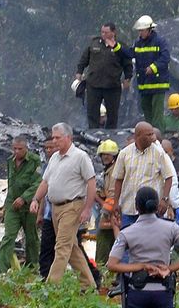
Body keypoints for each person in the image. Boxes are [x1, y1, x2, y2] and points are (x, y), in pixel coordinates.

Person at [107, 186, 179, 308]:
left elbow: (112, 264)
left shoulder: (127, 232)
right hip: (163, 292)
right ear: (157, 206)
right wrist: (170, 268)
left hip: (137, 292)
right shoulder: (171, 228)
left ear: (136, 207)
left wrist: (141, 266)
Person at [30, 122, 96, 289]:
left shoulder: (80, 157)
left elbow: (91, 182)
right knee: (71, 248)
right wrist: (36, 199)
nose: (54, 141)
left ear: (69, 137)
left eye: (58, 137)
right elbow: (45, 182)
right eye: (53, 137)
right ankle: (88, 285)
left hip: (72, 206)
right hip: (55, 208)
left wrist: (87, 208)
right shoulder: (54, 158)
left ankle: (51, 287)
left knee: (61, 247)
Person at [110, 15, 170, 131]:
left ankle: (159, 138)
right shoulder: (138, 43)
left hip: (158, 85)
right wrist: (116, 47)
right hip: (144, 85)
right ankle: (149, 135)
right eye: (139, 31)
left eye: (142, 31)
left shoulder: (160, 41)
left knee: (157, 115)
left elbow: (165, 58)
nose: (140, 33)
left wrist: (153, 67)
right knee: (147, 112)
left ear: (149, 29)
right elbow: (129, 53)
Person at [112, 122, 174, 231]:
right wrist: (116, 202)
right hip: (129, 209)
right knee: (129, 244)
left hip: (151, 211)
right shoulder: (124, 153)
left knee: (150, 243)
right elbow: (119, 179)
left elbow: (169, 177)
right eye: (148, 135)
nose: (152, 137)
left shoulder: (159, 153)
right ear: (138, 136)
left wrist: (165, 199)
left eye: (152, 134)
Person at [0, 136, 41, 272]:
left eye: (19, 149)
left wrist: (24, 198)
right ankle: (2, 269)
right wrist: (6, 205)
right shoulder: (10, 161)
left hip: (28, 206)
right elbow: (11, 184)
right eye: (14, 148)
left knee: (31, 237)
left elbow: (38, 183)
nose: (16, 152)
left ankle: (32, 267)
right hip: (12, 205)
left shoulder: (34, 160)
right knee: (8, 236)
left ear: (26, 148)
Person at [76, 22, 133, 129]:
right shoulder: (94, 44)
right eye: (102, 32)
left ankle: (111, 134)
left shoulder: (121, 46)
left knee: (112, 114)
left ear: (113, 32)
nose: (103, 34)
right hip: (94, 84)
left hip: (112, 86)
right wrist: (79, 72)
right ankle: (93, 132)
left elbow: (127, 64)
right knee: (92, 112)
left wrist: (128, 78)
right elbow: (84, 59)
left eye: (106, 32)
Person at [95, 139, 119, 264]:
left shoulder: (114, 171)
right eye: (103, 155)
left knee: (104, 243)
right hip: (110, 212)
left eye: (107, 155)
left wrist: (98, 199)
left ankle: (102, 268)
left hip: (110, 213)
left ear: (114, 156)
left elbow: (112, 195)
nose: (105, 157)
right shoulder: (108, 171)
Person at [37, 137, 59, 278]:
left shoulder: (67, 163)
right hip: (48, 214)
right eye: (47, 148)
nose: (49, 150)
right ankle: (45, 277)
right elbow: (44, 192)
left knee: (71, 248)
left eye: (51, 147)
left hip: (64, 213)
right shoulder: (46, 166)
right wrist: (40, 214)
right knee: (46, 247)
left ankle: (92, 275)